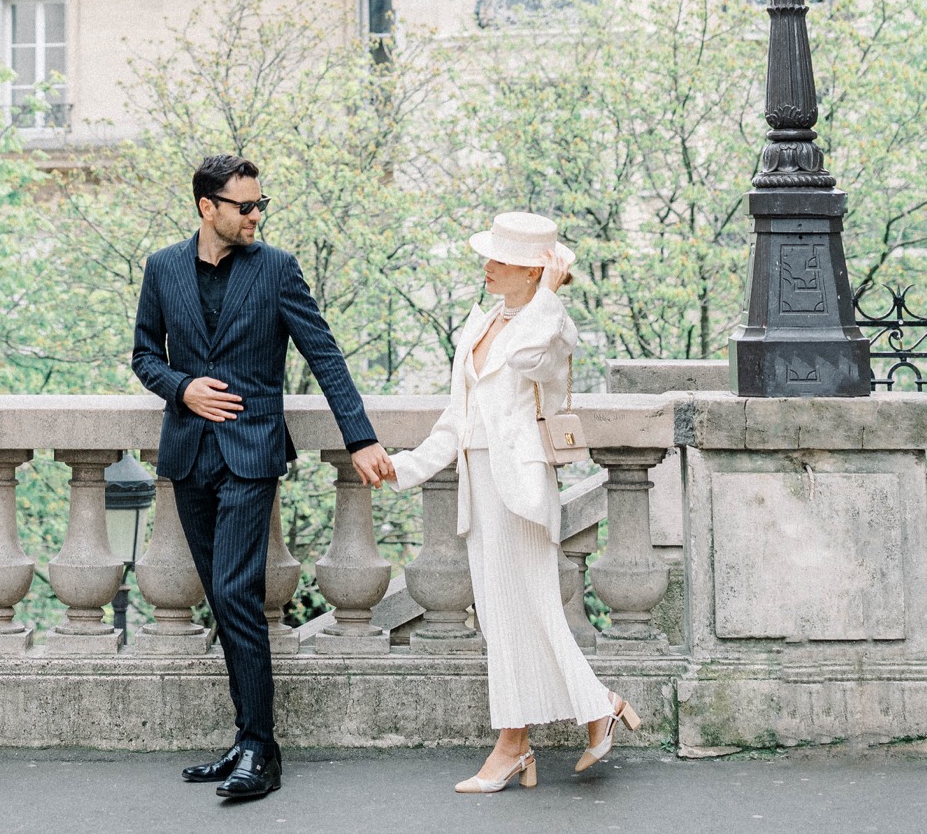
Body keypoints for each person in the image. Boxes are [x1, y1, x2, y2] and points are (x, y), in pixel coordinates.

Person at [132, 153, 391, 804]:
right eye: (244, 206)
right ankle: (249, 737)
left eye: (260, 204)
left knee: (236, 591)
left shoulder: (276, 270)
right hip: (188, 454)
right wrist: (182, 386)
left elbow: (324, 355)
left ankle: (260, 749)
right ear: (206, 208)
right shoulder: (163, 268)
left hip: (251, 456)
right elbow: (142, 354)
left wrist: (360, 437)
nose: (256, 215)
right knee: (223, 601)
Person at [384, 210, 640, 795]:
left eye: (500, 260)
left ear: (531, 271)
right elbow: (457, 422)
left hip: (520, 489)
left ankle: (532, 737)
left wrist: (548, 296)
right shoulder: (482, 324)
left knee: (531, 612)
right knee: (503, 619)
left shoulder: (550, 329)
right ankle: (556, 726)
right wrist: (402, 468)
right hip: (482, 486)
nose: (487, 266)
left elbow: (528, 363)